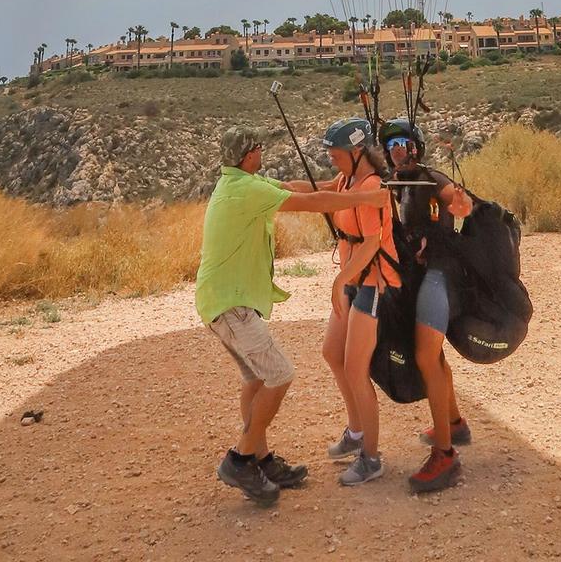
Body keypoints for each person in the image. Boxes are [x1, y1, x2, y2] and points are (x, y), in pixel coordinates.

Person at [195, 123, 394, 506]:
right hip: (231, 305)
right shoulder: (247, 189)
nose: (261, 153)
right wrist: (366, 199)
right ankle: (240, 459)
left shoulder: (238, 184)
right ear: (248, 154)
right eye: (258, 148)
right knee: (279, 374)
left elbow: (293, 189)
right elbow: (312, 204)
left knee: (255, 380)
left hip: (221, 302)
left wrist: (346, 190)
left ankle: (262, 460)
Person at [381, 116, 473, 494]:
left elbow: (455, 200)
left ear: (416, 146)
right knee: (433, 357)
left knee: (425, 357)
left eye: (402, 144)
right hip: (423, 274)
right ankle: (453, 422)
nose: (397, 151)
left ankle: (445, 455)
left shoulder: (430, 178)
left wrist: (460, 203)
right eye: (391, 147)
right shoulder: (399, 183)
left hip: (441, 274)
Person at [319, 118, 400, 485]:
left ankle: (371, 457)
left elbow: (371, 243)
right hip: (353, 282)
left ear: (356, 152)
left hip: (371, 285)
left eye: (336, 155)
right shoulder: (346, 181)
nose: (332, 161)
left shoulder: (371, 187)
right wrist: (277, 190)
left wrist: (340, 278)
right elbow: (320, 192)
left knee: (355, 368)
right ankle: (355, 433)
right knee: (332, 353)